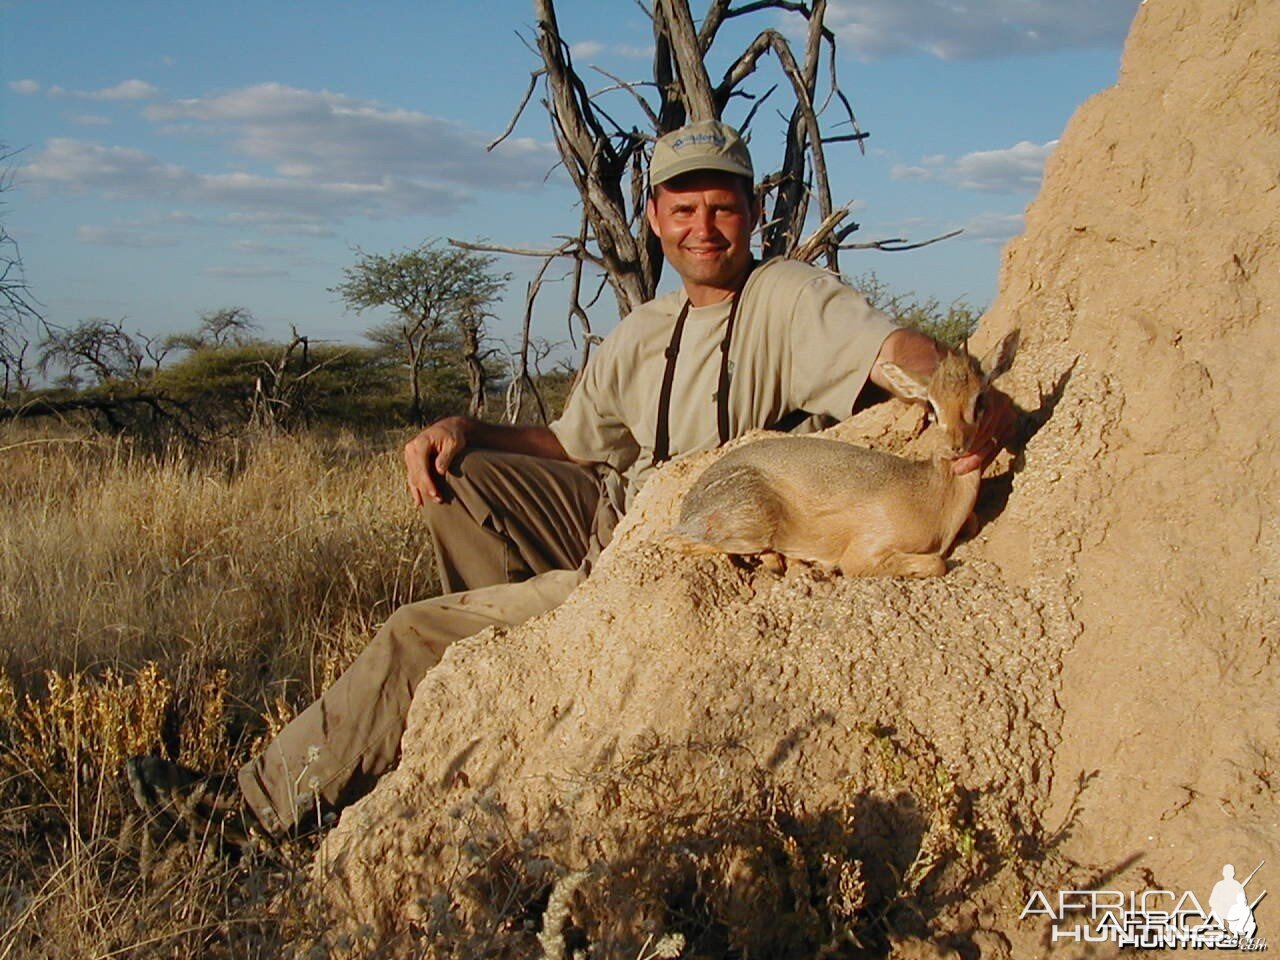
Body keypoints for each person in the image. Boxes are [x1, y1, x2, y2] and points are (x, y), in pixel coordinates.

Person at [126, 120, 1016, 847]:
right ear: (655, 215)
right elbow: (570, 441)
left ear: (752, 213)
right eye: (683, 207)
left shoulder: (785, 295)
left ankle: (252, 811)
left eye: (723, 207)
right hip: (609, 516)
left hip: (662, 559)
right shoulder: (646, 329)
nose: (703, 227)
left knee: (412, 632)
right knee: (461, 471)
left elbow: (890, 350)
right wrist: (467, 429)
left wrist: (961, 391)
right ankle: (503, 692)